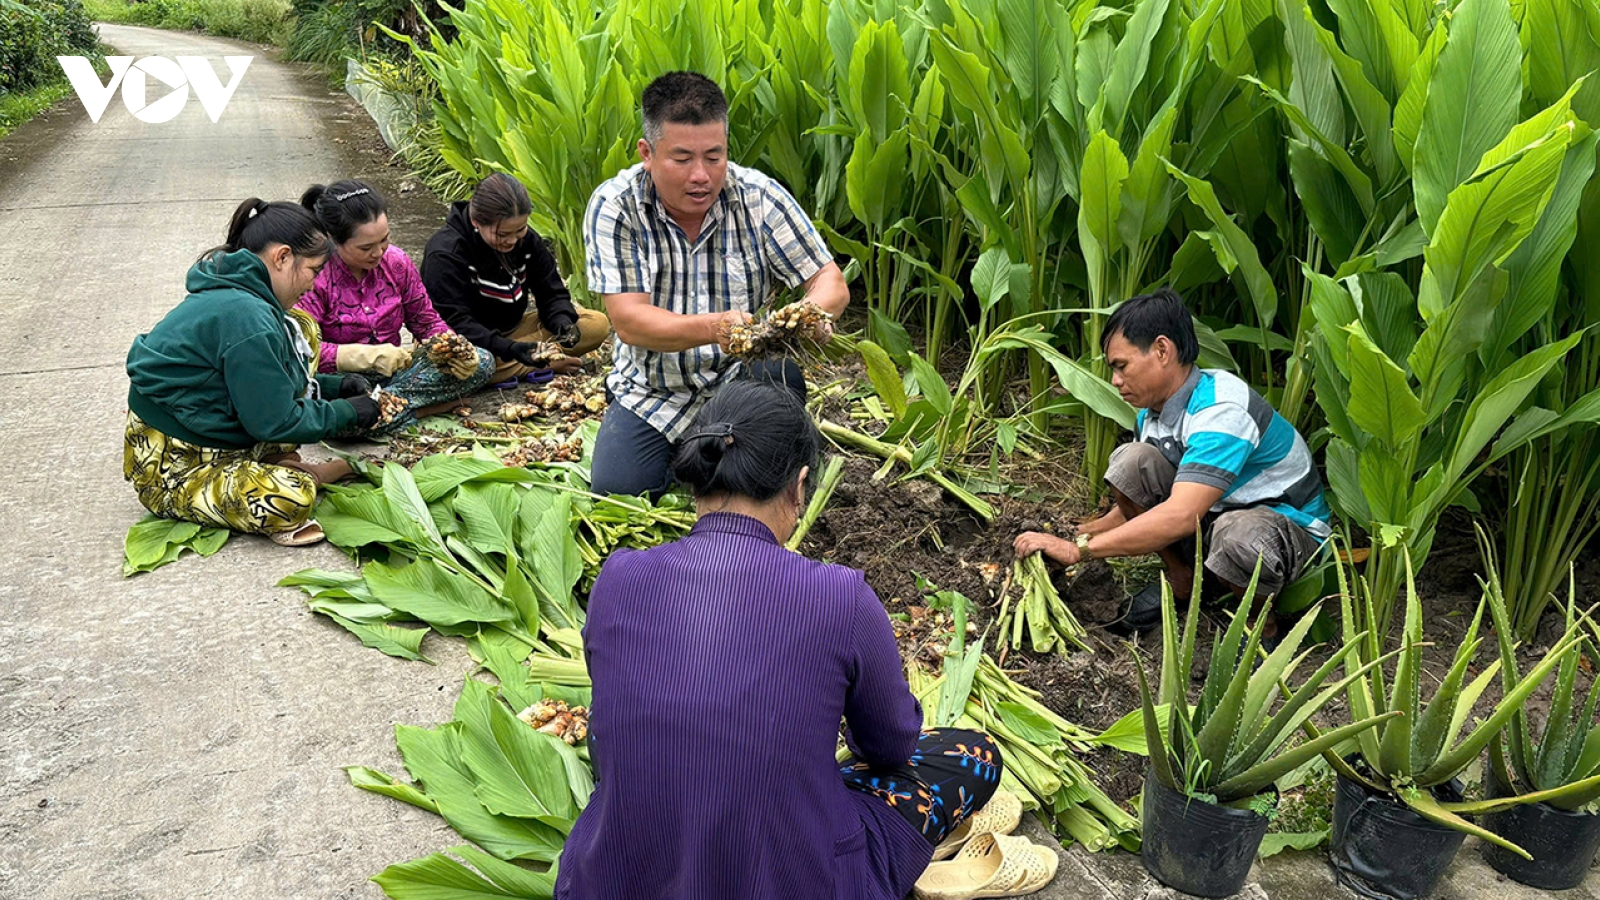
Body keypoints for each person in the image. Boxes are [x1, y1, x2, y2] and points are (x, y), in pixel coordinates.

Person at [555, 382, 1025, 900]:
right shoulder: (840, 595)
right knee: (972, 754)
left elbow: (609, 729)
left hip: (613, 881)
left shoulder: (618, 576)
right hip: (797, 880)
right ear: (800, 485)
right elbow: (891, 746)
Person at [582, 71, 849, 497]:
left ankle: (740, 460)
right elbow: (630, 322)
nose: (702, 175)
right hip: (653, 390)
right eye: (682, 159)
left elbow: (829, 280)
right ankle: (695, 458)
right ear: (647, 153)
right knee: (619, 492)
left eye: (714, 156)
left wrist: (810, 313)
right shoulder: (617, 207)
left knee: (776, 403)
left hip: (741, 380)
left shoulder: (758, 197)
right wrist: (713, 328)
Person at [1014, 288, 1332, 635]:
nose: (1115, 381)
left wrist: (1079, 550)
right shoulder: (1152, 414)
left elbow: (1181, 514)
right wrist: (1071, 533)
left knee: (1236, 536)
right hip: (1219, 518)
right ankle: (1185, 580)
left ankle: (1261, 626)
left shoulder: (1221, 409)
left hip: (1284, 532)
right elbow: (1139, 500)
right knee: (1131, 462)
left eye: (1121, 366)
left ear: (1163, 350)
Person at [125, 199, 382, 547]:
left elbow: (267, 382)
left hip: (212, 432)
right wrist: (349, 413)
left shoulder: (247, 298)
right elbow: (274, 420)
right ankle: (308, 476)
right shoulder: (248, 318)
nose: (314, 283)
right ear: (282, 257)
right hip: (173, 467)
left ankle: (268, 464)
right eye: (314, 270)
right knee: (292, 499)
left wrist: (336, 388)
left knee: (300, 329)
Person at [295, 179, 495, 434]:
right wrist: (364, 356)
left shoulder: (397, 263)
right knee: (348, 418)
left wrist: (452, 349)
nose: (379, 252)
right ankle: (414, 409)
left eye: (384, 240)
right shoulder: (316, 276)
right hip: (341, 384)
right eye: (366, 247)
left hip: (397, 374)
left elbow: (426, 321)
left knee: (483, 362)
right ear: (333, 240)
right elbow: (302, 351)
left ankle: (389, 406)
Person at [422, 173, 611, 385]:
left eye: (520, 229)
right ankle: (539, 361)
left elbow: (551, 293)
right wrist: (508, 349)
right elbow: (454, 323)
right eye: (501, 235)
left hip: (513, 331)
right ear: (476, 221)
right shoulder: (445, 253)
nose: (512, 240)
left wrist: (562, 323)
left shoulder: (527, 241)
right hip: (468, 341)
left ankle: (530, 358)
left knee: (596, 325)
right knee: (468, 365)